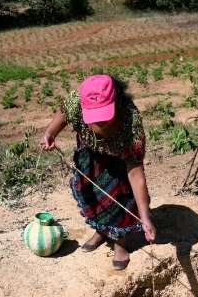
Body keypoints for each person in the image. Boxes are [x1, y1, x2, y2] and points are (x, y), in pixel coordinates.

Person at [40, 74, 156, 270]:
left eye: (104, 117)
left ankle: (120, 242)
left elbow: (136, 175)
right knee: (91, 192)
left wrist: (145, 218)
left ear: (116, 103)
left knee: (119, 195)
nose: (98, 124)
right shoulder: (76, 102)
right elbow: (63, 113)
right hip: (89, 151)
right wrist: (50, 133)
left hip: (119, 157)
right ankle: (101, 231)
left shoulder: (131, 125)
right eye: (94, 117)